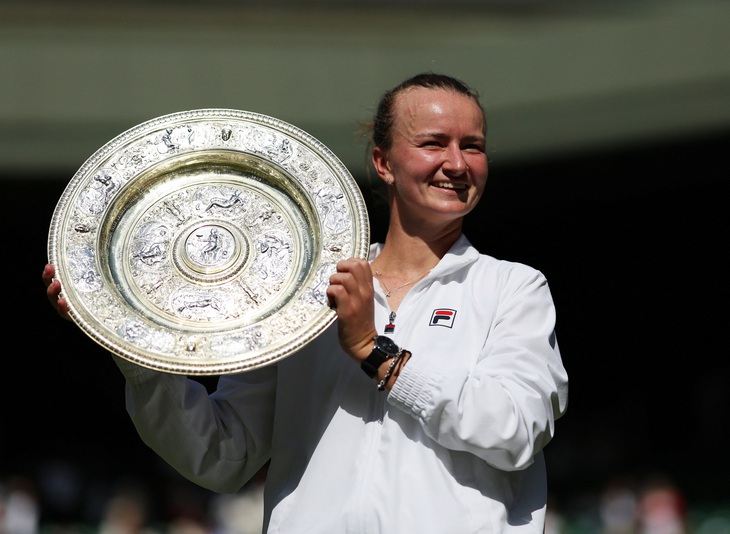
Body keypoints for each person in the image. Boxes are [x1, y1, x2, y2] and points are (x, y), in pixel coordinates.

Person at [44, 72, 569, 533]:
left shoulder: (513, 287)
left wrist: (375, 352)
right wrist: (131, 344)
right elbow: (221, 455)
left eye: (472, 145)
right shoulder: (304, 293)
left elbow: (515, 430)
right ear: (383, 162)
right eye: (434, 143)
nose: (456, 163)